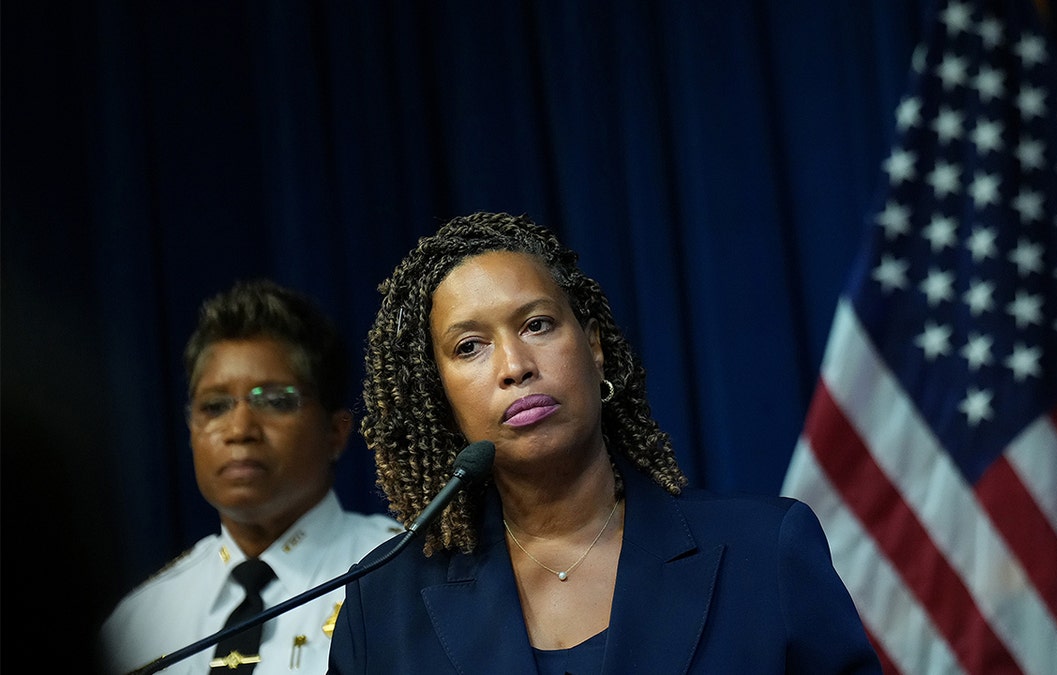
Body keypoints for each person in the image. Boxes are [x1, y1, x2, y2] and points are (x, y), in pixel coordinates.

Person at [329, 212, 882, 673]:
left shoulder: (765, 551)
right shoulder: (382, 606)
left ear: (593, 347)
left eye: (537, 325)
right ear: (439, 395)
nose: (515, 366)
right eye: (470, 346)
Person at [100, 279, 401, 674]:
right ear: (190, 430)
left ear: (335, 431)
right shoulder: (138, 622)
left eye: (275, 401)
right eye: (215, 406)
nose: (240, 429)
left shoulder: (401, 575)